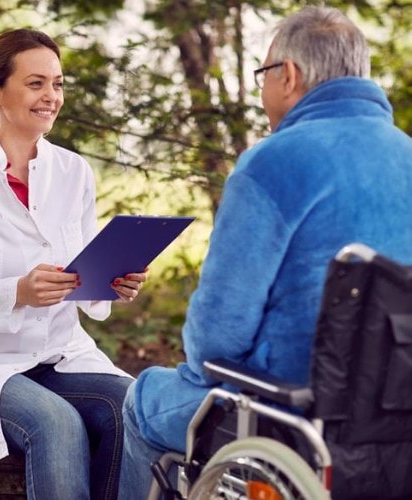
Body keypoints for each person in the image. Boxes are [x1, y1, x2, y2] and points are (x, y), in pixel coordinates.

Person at [118, 6, 412, 499]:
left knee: (143, 399)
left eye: (263, 74)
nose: (261, 91)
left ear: (289, 76)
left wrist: (200, 377)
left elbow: (215, 341)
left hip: (291, 416)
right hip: (396, 420)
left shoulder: (274, 162)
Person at [0, 29, 147, 500]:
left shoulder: (73, 172)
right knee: (56, 422)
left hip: (60, 355)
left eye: (58, 84)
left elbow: (84, 274)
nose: (51, 97)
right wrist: (16, 292)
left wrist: (113, 281)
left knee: (132, 407)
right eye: (36, 83)